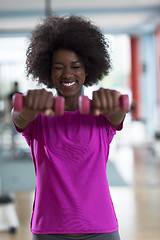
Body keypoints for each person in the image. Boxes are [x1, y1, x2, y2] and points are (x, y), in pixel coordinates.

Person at [11, 15, 127, 240]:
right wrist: (26, 108)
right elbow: (18, 116)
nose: (67, 74)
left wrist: (114, 103)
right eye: (58, 67)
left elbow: (118, 113)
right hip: (49, 230)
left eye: (75, 66)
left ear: (87, 70)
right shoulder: (37, 118)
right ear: (48, 71)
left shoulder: (101, 114)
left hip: (100, 228)